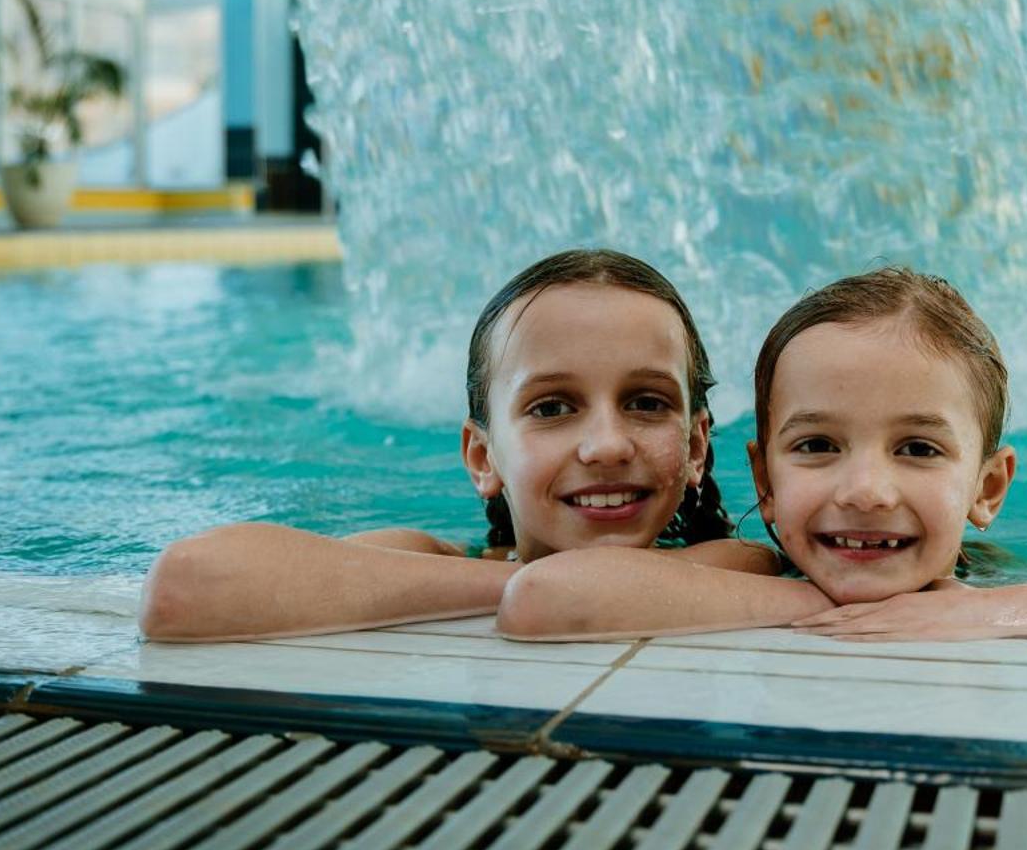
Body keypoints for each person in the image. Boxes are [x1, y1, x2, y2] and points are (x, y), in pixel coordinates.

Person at [498, 267, 1027, 643]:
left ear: (987, 486)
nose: (867, 490)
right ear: (763, 479)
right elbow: (546, 594)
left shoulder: (988, 597)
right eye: (818, 446)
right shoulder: (753, 570)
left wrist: (994, 616)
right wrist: (800, 603)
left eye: (917, 447)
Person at [138, 249, 772, 640]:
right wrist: (509, 582)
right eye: (552, 407)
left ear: (695, 447)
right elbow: (183, 588)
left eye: (646, 404)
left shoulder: (742, 563)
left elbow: (568, 593)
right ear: (482, 458)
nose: (606, 446)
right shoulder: (445, 557)